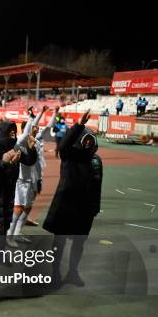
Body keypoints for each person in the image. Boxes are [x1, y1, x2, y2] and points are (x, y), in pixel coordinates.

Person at [43, 110, 103, 287]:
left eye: (91, 141)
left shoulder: (96, 160)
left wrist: (95, 207)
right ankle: (54, 273)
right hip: (66, 205)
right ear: (79, 141)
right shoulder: (70, 155)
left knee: (79, 241)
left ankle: (72, 273)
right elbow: (63, 146)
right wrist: (79, 125)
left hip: (85, 209)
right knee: (59, 240)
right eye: (85, 141)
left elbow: (97, 184)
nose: (88, 144)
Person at [7, 106, 48, 244]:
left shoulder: (35, 143)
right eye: (34, 127)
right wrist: (33, 116)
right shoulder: (20, 142)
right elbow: (26, 133)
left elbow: (37, 163)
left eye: (37, 127)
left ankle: (17, 232)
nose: (36, 129)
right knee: (18, 208)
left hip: (33, 179)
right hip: (21, 180)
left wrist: (38, 180)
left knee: (28, 207)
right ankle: (9, 235)